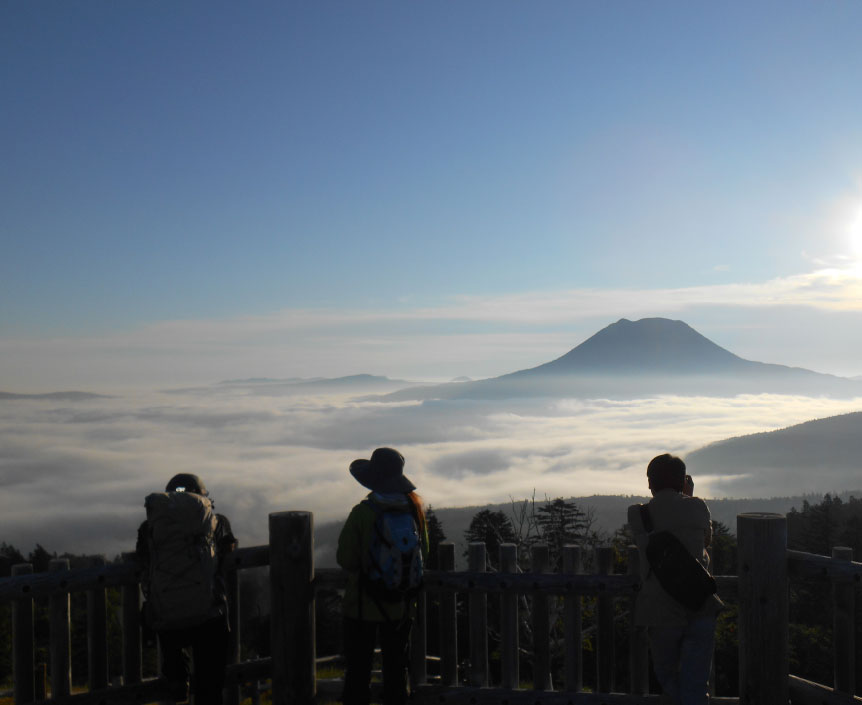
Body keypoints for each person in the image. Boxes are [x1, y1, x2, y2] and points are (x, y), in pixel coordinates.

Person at [627, 455, 722, 705]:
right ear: (683, 481)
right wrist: (688, 497)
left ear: (650, 483)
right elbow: (707, 541)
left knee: (668, 679)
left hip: (660, 611)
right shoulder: (698, 507)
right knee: (696, 682)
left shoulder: (638, 515)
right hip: (700, 605)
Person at [337, 448, 429, 705]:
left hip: (361, 608)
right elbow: (425, 555)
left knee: (357, 676)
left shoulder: (363, 513)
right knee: (396, 675)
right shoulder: (415, 510)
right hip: (399, 608)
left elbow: (346, 559)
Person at [136, 473, 237, 704]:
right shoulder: (217, 521)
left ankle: (178, 679)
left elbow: (143, 559)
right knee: (210, 692)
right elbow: (228, 547)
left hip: (168, 617)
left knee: (176, 690)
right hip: (210, 616)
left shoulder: (149, 526)